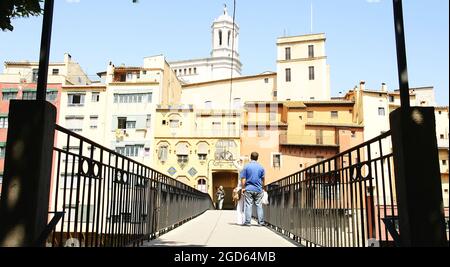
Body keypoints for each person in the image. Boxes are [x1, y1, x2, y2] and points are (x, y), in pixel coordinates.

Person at [241, 152, 266, 226]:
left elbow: (243, 178)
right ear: (257, 158)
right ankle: (261, 222)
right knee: (259, 205)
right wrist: (263, 187)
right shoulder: (261, 167)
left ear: (250, 157)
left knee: (248, 205)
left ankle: (248, 222)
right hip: (258, 189)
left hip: (248, 188)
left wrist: (243, 188)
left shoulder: (246, 167)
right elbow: (263, 179)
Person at [232, 159, 245, 225]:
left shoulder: (241, 169)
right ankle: (245, 221)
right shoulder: (246, 169)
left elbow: (234, 162)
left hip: (240, 189)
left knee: (240, 206)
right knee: (246, 206)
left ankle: (239, 221)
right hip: (247, 189)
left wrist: (238, 159)